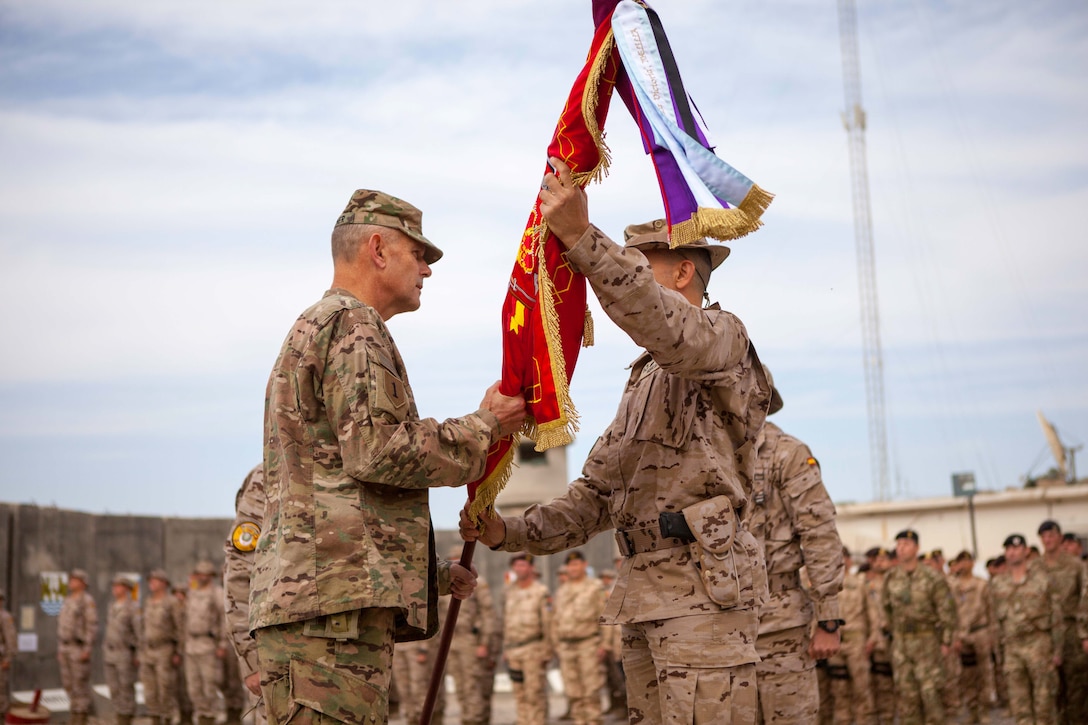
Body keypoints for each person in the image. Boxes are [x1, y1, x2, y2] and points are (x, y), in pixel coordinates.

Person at [460, 157, 772, 724]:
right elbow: (595, 497)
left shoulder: (722, 340)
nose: (623, 273)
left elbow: (661, 323)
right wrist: (508, 530)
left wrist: (582, 237)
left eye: (640, 263)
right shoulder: (644, 380)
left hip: (702, 596)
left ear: (682, 273)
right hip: (645, 597)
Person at [249, 188, 526, 725]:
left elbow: (336, 493)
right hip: (329, 614)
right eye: (417, 254)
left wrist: (432, 573)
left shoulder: (324, 324)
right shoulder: (352, 323)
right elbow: (377, 451)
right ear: (377, 249)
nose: (427, 269)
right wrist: (485, 427)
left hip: (326, 605)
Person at [749, 366, 845, 723]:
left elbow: (819, 534)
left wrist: (829, 620)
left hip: (780, 628)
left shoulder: (787, 454)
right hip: (722, 630)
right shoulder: (713, 456)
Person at [882, 529, 957, 725]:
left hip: (928, 643)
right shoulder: (891, 578)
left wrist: (946, 642)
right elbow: (887, 610)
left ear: (916, 548)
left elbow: (947, 611)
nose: (901, 548)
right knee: (907, 699)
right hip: (902, 645)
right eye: (898, 544)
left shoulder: (933, 577)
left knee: (931, 696)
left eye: (906, 544)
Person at [990, 533, 1061, 725]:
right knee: (1020, 705)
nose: (1012, 553)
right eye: (1008, 549)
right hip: (1013, 647)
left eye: (1016, 548)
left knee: (1044, 703)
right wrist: (999, 652)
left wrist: (1057, 650)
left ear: (1026, 551)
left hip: (1039, 644)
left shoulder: (1042, 579)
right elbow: (995, 621)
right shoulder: (998, 584)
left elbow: (1056, 615)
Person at [223, 464, 265, 724]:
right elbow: (240, 574)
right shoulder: (272, 472)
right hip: (284, 654)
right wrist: (252, 662)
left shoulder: (358, 457)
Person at [1037, 519, 1088, 724]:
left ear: (1059, 537)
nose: (1048, 540)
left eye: (1051, 535)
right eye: (1044, 536)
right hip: (1046, 634)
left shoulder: (1075, 565)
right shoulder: (1035, 566)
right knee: (1051, 689)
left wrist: (1084, 633)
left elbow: (1084, 599)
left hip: (1071, 632)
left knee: (1076, 687)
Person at [551, 551, 607, 725]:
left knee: (590, 691)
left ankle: (593, 721)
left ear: (584, 565)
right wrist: (556, 645)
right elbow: (554, 620)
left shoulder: (594, 587)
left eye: (576, 564)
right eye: (570, 565)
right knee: (573, 692)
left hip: (588, 645)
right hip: (566, 647)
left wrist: (604, 645)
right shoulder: (562, 590)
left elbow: (605, 617)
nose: (573, 568)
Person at [826, 549, 877, 725]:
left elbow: (872, 612)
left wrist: (873, 637)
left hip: (857, 642)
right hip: (835, 643)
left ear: (848, 560)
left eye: (842, 558)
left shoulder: (861, 582)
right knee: (839, 691)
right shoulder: (826, 585)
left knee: (862, 689)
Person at [502, 553, 553, 725]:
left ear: (531, 568)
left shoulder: (540, 591)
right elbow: (507, 621)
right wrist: (506, 649)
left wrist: (547, 650)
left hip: (533, 649)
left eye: (523, 565)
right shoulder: (510, 591)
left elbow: (548, 623)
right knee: (519, 693)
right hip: (514, 650)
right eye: (516, 566)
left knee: (534, 694)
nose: (519, 569)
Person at [949, 551, 995, 724]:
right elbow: (950, 613)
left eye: (968, 560)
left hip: (980, 632)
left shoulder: (982, 584)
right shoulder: (953, 586)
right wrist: (954, 637)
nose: (965, 564)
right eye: (961, 561)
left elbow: (991, 610)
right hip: (962, 635)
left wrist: (992, 635)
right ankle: (972, 709)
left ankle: (984, 711)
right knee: (967, 675)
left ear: (973, 563)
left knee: (984, 673)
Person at [185, 561, 227, 725]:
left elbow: (224, 620)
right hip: (191, 645)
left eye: (205, 574)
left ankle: (209, 717)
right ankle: (201, 715)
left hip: (208, 644)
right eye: (199, 573)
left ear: (211, 576)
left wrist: (222, 644)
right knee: (193, 687)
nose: (202, 576)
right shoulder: (192, 593)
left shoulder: (216, 593)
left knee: (209, 685)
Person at [141, 570, 184, 725]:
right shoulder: (148, 601)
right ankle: (154, 719)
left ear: (164, 583)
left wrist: (178, 651)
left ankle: (167, 718)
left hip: (164, 650)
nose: (152, 583)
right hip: (148, 651)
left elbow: (179, 627)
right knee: (150, 690)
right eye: (150, 580)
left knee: (165, 688)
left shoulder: (171, 602)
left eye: (156, 580)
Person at [57, 568, 97, 725]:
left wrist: (87, 648)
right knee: (68, 685)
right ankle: (74, 716)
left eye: (74, 579)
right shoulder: (68, 600)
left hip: (78, 648)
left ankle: (80, 719)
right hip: (65, 648)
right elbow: (62, 626)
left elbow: (91, 626)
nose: (70, 582)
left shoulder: (87, 601)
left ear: (82, 583)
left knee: (80, 685)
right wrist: (60, 647)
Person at [104, 575, 141, 725]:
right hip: (110, 653)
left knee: (126, 688)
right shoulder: (112, 606)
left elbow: (139, 633)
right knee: (114, 689)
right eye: (114, 585)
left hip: (125, 652)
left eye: (118, 586)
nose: (115, 588)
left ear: (126, 588)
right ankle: (119, 717)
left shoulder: (132, 607)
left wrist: (138, 654)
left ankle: (126, 720)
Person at [864, 547, 895, 724]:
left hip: (898, 640)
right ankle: (887, 719)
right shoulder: (867, 584)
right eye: (876, 559)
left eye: (883, 558)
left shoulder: (898, 581)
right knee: (881, 684)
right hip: (877, 641)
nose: (879, 562)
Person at [0, 589, 17, 722]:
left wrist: (8, 658)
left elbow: (11, 640)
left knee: (1, 692)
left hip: (1, 659)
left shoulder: (5, 617)